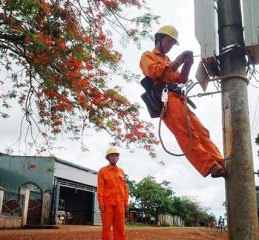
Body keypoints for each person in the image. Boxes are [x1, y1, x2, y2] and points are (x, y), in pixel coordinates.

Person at [139, 25, 226, 178]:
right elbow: (154, 72)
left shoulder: (167, 60)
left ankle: (220, 161)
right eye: (170, 41)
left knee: (201, 131)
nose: (171, 45)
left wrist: (188, 64)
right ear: (159, 38)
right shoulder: (148, 56)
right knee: (187, 133)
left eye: (173, 43)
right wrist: (178, 61)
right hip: (166, 98)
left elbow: (181, 80)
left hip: (179, 97)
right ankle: (210, 166)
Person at [97, 147, 129, 240]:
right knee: (106, 228)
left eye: (116, 155)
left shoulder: (121, 171)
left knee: (120, 228)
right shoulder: (102, 171)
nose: (114, 157)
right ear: (108, 157)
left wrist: (126, 202)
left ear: (118, 158)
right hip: (107, 204)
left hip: (120, 204)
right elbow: (100, 188)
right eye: (112, 155)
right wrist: (101, 203)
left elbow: (125, 187)